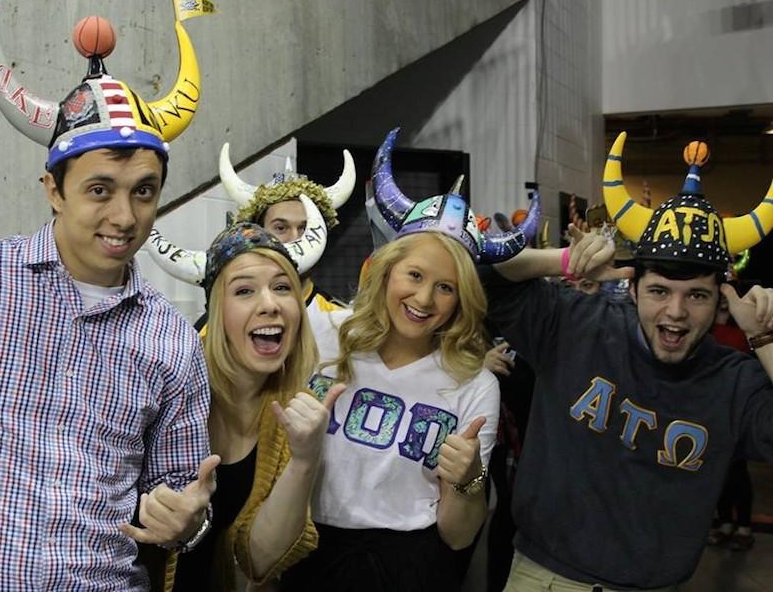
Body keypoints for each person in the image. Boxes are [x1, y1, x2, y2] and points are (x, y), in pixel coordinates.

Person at [0, 1, 216, 590]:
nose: (124, 217)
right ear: (53, 190)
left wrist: (187, 522)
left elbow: (185, 498)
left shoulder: (171, 340)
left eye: (144, 192)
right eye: (100, 190)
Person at [481, 134, 773, 591]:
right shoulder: (576, 324)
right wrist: (562, 259)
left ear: (721, 301)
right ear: (632, 288)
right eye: (659, 291)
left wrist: (766, 338)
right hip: (542, 577)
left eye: (696, 295)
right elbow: (478, 274)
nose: (675, 313)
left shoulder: (733, 381)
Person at [281, 128, 530, 592]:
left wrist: (469, 478)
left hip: (412, 569)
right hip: (308, 554)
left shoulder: (474, 383)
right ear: (385, 269)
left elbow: (459, 536)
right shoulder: (323, 336)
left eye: (446, 286)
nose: (423, 298)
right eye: (414, 275)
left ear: (462, 299)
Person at [168, 222, 345, 590]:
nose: (270, 305)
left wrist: (305, 459)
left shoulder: (297, 413)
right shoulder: (170, 389)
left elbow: (258, 560)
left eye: (282, 288)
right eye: (245, 291)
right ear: (217, 311)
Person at [146, 144, 356, 325]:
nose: (296, 238)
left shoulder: (341, 323)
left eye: (305, 229)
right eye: (281, 228)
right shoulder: (216, 324)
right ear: (258, 232)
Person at [707, 282, 755, 551]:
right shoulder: (706, 330)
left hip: (736, 412)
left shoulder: (743, 332)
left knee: (738, 474)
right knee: (719, 473)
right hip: (711, 411)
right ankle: (724, 524)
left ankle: (744, 527)